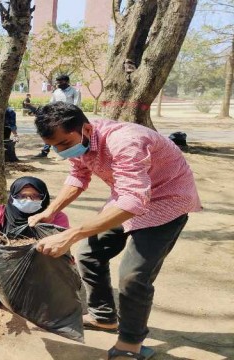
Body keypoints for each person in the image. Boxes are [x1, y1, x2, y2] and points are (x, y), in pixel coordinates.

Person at [29, 102, 201, 360]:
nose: (61, 151)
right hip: (128, 197)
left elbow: (134, 203)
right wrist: (50, 210)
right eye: (54, 146)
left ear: (86, 128)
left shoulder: (126, 142)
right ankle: (104, 317)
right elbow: (78, 176)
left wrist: (70, 234)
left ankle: (131, 343)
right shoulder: (80, 140)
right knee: (89, 254)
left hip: (168, 201)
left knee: (133, 277)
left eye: (64, 144)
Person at [0, 176, 69, 305]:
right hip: (4, 265)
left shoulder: (56, 217)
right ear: (13, 196)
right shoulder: (1, 212)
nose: (28, 200)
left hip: (40, 268)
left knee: (43, 302)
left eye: (35, 196)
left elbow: (63, 245)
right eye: (22, 196)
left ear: (44, 197)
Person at [35, 74, 81, 158]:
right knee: (51, 132)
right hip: (56, 117)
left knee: (69, 135)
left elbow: (76, 105)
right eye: (57, 82)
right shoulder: (56, 92)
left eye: (60, 82)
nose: (58, 83)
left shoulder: (75, 91)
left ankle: (71, 153)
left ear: (67, 82)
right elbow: (51, 103)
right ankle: (44, 152)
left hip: (70, 117)